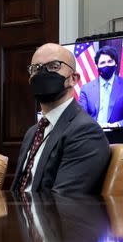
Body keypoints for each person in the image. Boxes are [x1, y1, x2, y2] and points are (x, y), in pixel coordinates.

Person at [11, 43, 110, 195]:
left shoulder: (85, 131)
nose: (42, 73)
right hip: (18, 215)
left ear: (73, 79)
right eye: (35, 69)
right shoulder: (32, 132)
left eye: (53, 66)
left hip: (52, 217)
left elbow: (62, 202)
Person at [78, 46, 123, 128]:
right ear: (97, 66)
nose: (106, 65)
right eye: (102, 63)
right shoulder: (86, 88)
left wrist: (117, 125)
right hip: (93, 133)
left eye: (110, 61)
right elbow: (81, 117)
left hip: (117, 132)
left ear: (116, 63)